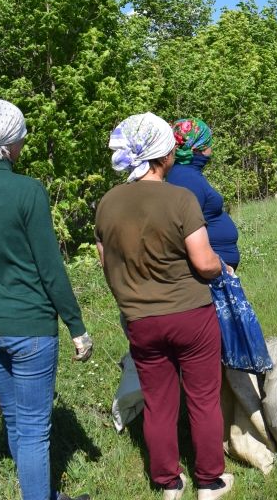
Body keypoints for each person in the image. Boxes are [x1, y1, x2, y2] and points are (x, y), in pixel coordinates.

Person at [0, 99, 92, 500]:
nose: (24, 141)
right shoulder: (27, 191)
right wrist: (76, 327)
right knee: (32, 431)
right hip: (30, 331)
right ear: (11, 142)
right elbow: (50, 268)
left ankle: (43, 494)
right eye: (22, 135)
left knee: (14, 419)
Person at [95, 113, 234, 500]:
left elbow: (106, 263)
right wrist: (222, 266)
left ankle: (167, 483)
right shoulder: (179, 198)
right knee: (203, 399)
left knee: (158, 402)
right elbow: (204, 262)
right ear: (162, 156)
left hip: (140, 319)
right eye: (170, 147)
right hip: (190, 313)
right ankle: (210, 481)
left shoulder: (107, 203)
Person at [167, 118, 241, 269]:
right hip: (208, 270)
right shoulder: (186, 178)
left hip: (214, 265)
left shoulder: (187, 173)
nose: (211, 148)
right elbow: (184, 228)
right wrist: (216, 267)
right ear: (198, 148)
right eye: (209, 143)